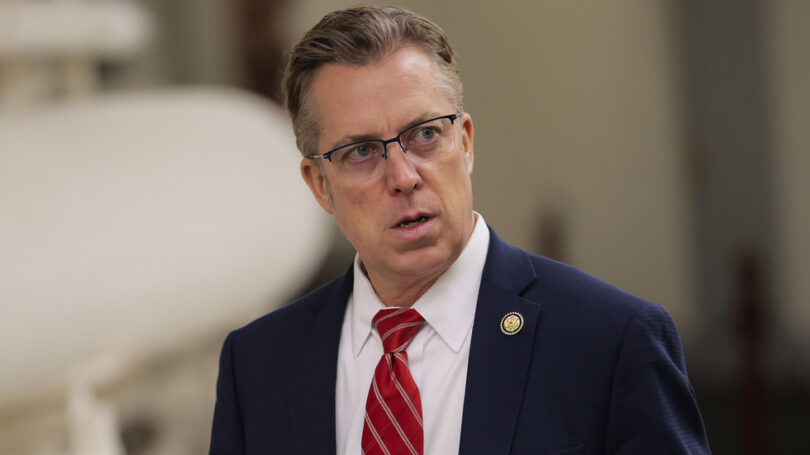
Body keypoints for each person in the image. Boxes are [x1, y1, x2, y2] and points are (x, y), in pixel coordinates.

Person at [209, 6, 711, 455]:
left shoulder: (610, 339)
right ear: (319, 184)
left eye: (426, 134)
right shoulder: (257, 366)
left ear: (465, 143)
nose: (404, 177)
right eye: (361, 151)